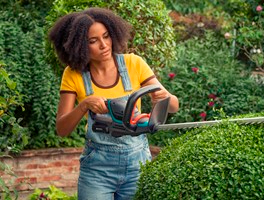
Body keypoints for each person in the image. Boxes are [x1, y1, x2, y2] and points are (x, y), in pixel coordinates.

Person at [48, 7, 179, 200]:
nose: (103, 45)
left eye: (106, 36)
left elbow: (174, 106)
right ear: (80, 46)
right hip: (97, 170)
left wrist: (162, 98)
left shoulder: (134, 63)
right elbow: (62, 129)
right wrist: (84, 105)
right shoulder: (73, 74)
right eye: (93, 41)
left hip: (138, 166)